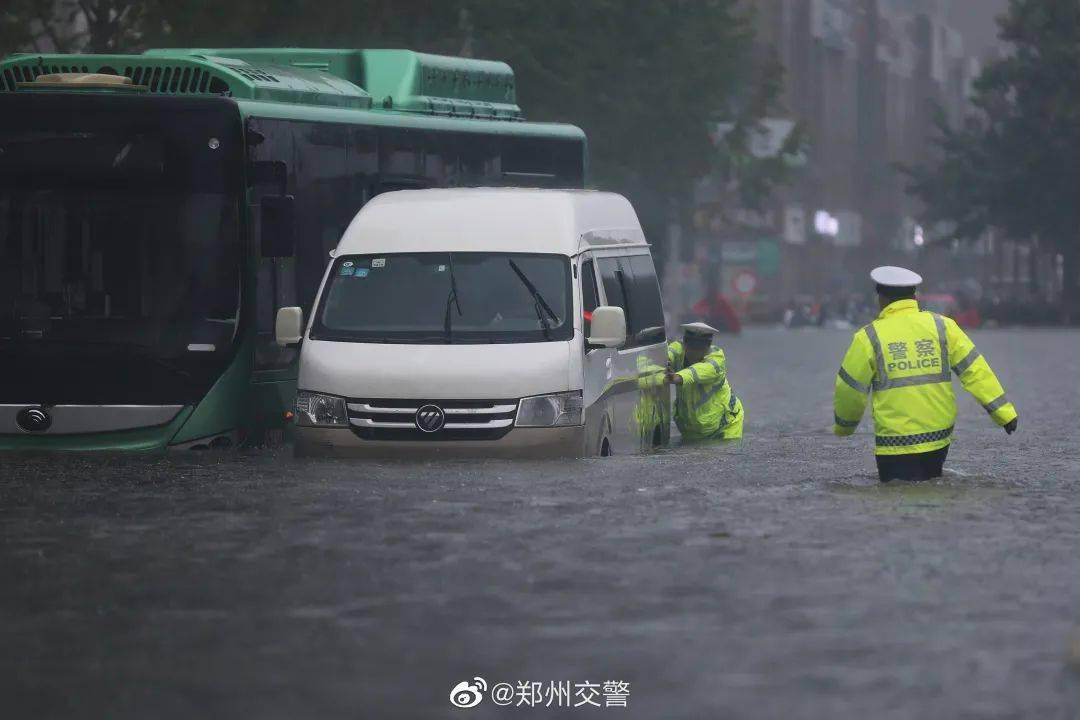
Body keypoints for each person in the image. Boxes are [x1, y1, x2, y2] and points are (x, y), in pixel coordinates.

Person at [833, 266, 1018, 481]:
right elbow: (976, 371)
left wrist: (844, 427)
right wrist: (1005, 414)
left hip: (895, 444)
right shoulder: (943, 326)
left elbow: (850, 390)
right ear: (914, 296)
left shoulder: (868, 337)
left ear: (880, 298)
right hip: (938, 439)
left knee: (896, 501)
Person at [664, 322, 744, 441]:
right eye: (692, 348)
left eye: (701, 349)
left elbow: (696, 372)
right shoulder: (678, 349)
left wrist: (676, 377)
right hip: (692, 431)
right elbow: (668, 352)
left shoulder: (717, 361)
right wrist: (665, 361)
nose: (696, 353)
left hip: (724, 429)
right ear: (685, 345)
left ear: (708, 348)